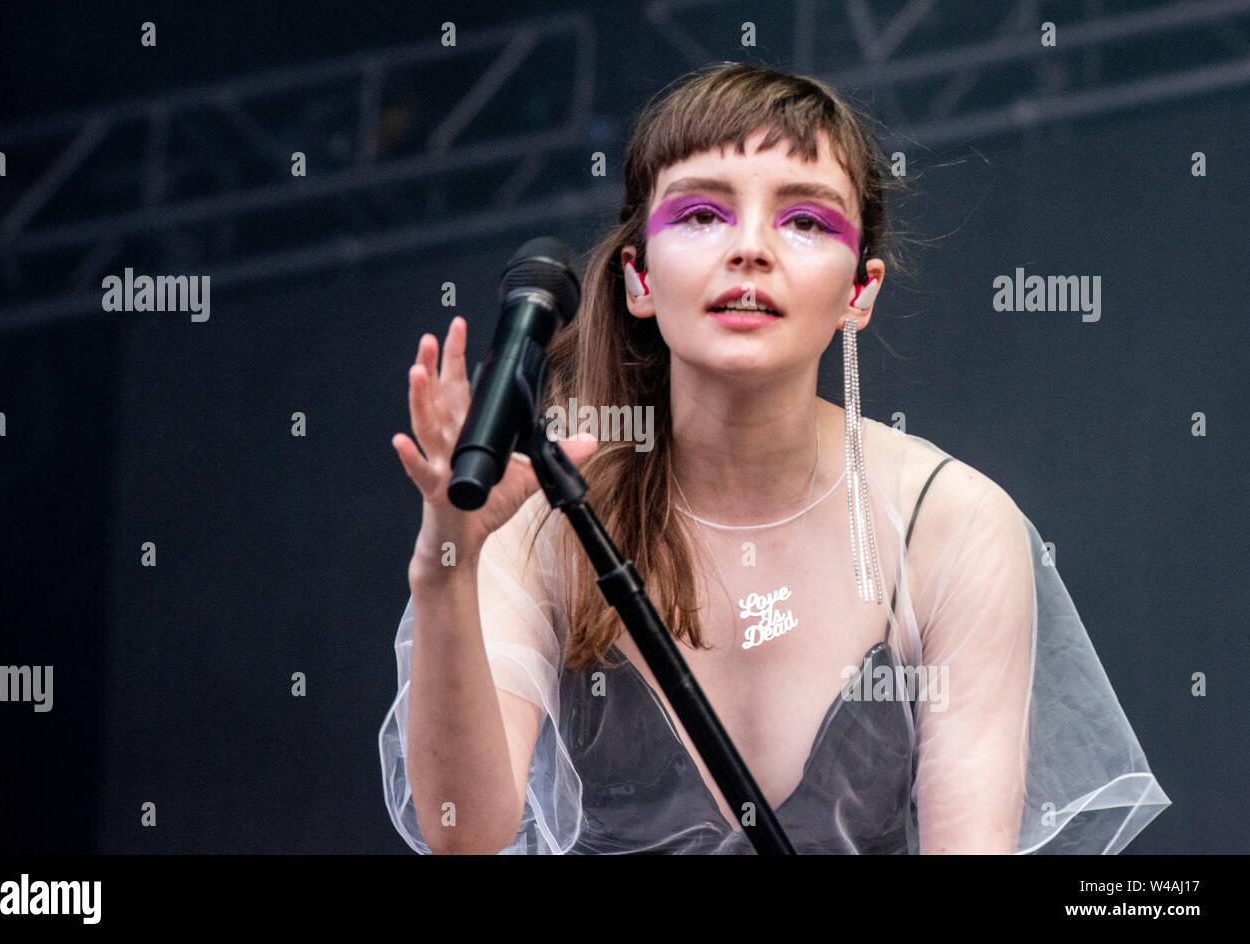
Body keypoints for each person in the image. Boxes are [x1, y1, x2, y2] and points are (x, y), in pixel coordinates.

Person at [379, 62, 1171, 854]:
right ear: (638, 278)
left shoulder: (952, 525)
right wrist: (447, 562)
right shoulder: (544, 509)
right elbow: (464, 835)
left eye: (805, 222)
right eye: (700, 215)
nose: (751, 248)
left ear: (860, 292)